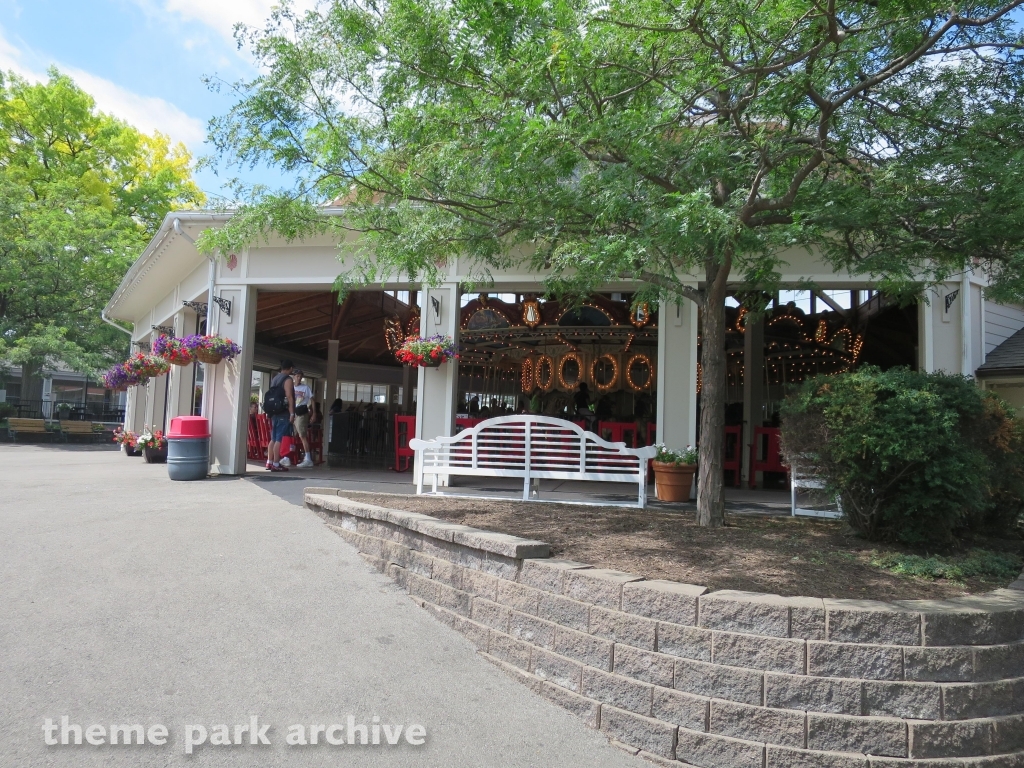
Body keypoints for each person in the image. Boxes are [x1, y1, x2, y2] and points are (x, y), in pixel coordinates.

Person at [266, 361, 296, 472]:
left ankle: (269, 462)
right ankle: (276, 463)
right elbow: (289, 396)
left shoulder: (275, 378)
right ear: (291, 368)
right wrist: (292, 413)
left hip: (274, 412)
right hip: (283, 412)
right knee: (279, 438)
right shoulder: (287, 379)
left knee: (273, 438)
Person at [291, 369, 316, 468]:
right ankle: (288, 455)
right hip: (293, 412)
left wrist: (314, 413)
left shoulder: (305, 388)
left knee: (302, 435)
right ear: (294, 376)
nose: (299, 378)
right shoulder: (290, 387)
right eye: (297, 376)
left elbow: (312, 400)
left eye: (300, 376)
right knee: (291, 436)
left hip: (301, 413)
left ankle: (308, 458)